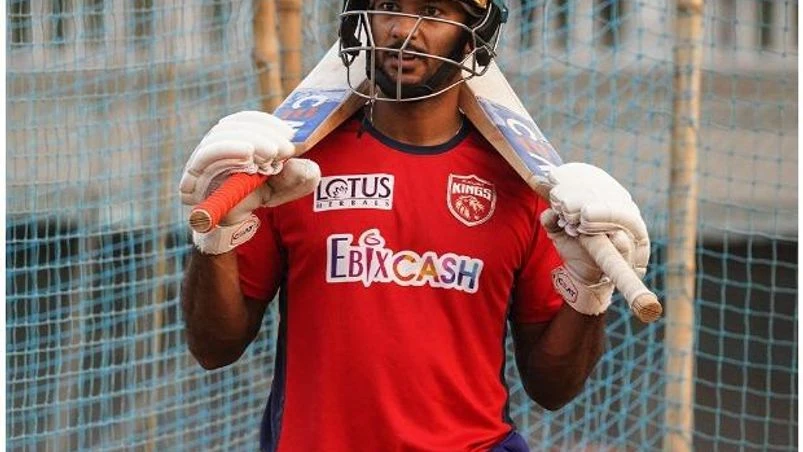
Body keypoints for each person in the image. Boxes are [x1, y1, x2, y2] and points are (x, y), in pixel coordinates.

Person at [179, 1, 650, 451]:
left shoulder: (523, 187)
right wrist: (217, 234)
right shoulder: (296, 171)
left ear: (476, 35)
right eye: (387, 5)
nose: (401, 29)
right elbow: (213, 348)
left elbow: (552, 388)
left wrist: (590, 292)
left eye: (431, 12)